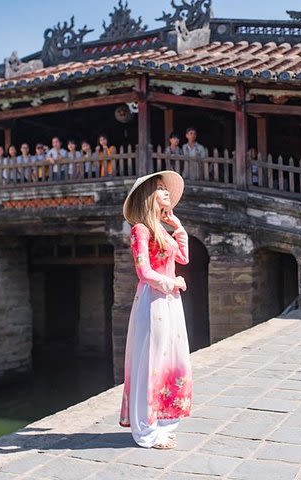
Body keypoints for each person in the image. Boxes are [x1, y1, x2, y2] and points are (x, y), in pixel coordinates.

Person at [120, 171, 192, 449]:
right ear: (149, 196)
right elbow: (144, 272)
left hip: (171, 301)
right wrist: (170, 282)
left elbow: (183, 257)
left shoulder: (161, 230)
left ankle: (164, 423)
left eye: (165, 188)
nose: (166, 193)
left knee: (170, 360)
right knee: (149, 363)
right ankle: (146, 431)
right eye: (160, 189)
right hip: (153, 300)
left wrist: (178, 226)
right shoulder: (140, 229)